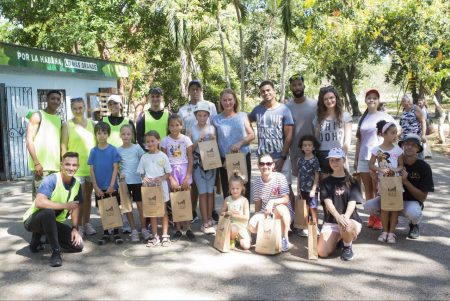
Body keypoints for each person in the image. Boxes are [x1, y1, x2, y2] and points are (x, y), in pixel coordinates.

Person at [364, 133, 434, 239]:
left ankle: (414, 224)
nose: (409, 147)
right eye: (407, 144)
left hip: (409, 202)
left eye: (413, 145)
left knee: (414, 213)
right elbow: (380, 183)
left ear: (418, 149)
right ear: (401, 147)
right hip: (390, 197)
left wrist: (405, 182)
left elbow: (422, 198)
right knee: (369, 206)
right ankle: (389, 220)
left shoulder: (424, 167)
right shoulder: (393, 161)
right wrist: (375, 178)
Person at [23, 152, 84, 267]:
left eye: (74, 165)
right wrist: (65, 205)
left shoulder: (77, 184)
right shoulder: (51, 179)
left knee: (78, 246)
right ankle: (56, 252)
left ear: (78, 166)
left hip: (53, 223)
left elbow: (75, 207)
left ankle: (40, 238)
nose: (71, 168)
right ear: (61, 165)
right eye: (67, 164)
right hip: (33, 221)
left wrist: (75, 229)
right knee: (48, 212)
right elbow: (39, 202)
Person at [354, 88, 397, 230]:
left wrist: (387, 146)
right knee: (368, 189)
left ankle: (380, 217)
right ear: (365, 100)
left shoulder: (384, 116)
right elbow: (360, 140)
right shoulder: (363, 117)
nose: (371, 100)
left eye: (374, 98)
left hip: (379, 158)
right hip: (364, 157)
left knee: (379, 188)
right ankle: (372, 216)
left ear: (378, 101)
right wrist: (356, 159)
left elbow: (397, 131)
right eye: (369, 97)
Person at [248, 80, 294, 206]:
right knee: (267, 188)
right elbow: (246, 120)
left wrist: (283, 158)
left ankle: (294, 220)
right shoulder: (257, 110)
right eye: (263, 91)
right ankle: (267, 216)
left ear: (274, 91)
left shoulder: (284, 110)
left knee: (286, 188)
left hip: (280, 156)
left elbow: (289, 136)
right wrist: (251, 132)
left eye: (268, 90)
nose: (266, 93)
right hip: (263, 158)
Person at [178, 79, 217, 223]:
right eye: (192, 89)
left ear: (201, 90)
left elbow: (214, 126)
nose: (195, 91)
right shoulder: (182, 110)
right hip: (194, 157)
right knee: (195, 187)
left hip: (209, 155)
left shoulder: (211, 106)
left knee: (209, 188)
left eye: (198, 89)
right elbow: (182, 132)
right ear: (188, 91)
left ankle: (210, 213)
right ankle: (194, 213)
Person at [318, 148, 363, 261]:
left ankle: (347, 246)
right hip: (332, 221)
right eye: (331, 160)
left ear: (344, 160)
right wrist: (338, 217)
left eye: (337, 160)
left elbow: (352, 202)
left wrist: (345, 217)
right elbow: (328, 202)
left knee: (346, 226)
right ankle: (339, 238)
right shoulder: (325, 182)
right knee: (322, 252)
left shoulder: (353, 180)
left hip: (350, 219)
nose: (334, 163)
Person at [61, 97, 96, 238]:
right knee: (78, 200)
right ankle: (77, 226)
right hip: (75, 169)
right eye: (75, 108)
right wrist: (65, 167)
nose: (78, 111)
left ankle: (86, 223)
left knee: (87, 198)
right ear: (71, 109)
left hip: (90, 168)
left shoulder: (92, 124)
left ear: (84, 108)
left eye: (80, 108)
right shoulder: (67, 125)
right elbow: (63, 146)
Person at [212, 89, 255, 201]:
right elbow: (214, 140)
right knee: (228, 189)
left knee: (244, 187)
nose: (227, 103)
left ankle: (244, 216)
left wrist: (239, 143)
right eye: (224, 100)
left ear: (235, 100)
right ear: (221, 102)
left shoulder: (242, 116)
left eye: (230, 99)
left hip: (242, 157)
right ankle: (230, 216)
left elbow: (251, 135)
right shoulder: (216, 119)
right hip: (225, 160)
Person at [102, 94, 136, 233]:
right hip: (107, 162)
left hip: (124, 164)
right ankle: (112, 222)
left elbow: (133, 142)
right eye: (110, 104)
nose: (113, 106)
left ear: (121, 105)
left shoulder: (128, 121)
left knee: (124, 194)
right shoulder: (103, 120)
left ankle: (126, 222)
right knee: (110, 193)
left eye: (116, 104)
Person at [248, 154, 294, 252]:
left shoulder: (280, 177)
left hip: (283, 211)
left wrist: (272, 202)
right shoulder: (256, 182)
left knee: (280, 209)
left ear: (273, 165)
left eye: (268, 163)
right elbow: (258, 204)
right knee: (251, 225)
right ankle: (269, 236)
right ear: (258, 166)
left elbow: (286, 199)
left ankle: (285, 238)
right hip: (266, 212)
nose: (265, 166)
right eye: (262, 164)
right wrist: (258, 217)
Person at [160, 114, 196, 241]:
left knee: (186, 199)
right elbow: (164, 161)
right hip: (171, 171)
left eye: (177, 125)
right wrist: (171, 178)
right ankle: (178, 228)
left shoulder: (186, 140)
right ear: (168, 127)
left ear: (181, 126)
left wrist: (187, 177)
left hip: (184, 170)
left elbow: (191, 158)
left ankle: (188, 227)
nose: (174, 128)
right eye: (171, 125)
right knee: (175, 200)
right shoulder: (165, 141)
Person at [368, 121, 404, 243]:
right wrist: (379, 170)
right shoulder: (377, 150)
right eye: (392, 133)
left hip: (395, 182)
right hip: (383, 182)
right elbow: (371, 164)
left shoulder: (398, 150)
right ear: (384, 134)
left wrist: (395, 169)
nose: (395, 136)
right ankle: (384, 231)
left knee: (394, 208)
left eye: (396, 133)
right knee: (385, 208)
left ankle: (391, 233)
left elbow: (401, 166)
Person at [88, 122, 123, 245]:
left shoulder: (113, 150)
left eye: (104, 133)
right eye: (99, 133)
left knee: (114, 208)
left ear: (108, 134)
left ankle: (117, 232)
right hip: (99, 187)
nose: (101, 136)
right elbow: (91, 170)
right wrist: (95, 187)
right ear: (95, 135)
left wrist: (112, 185)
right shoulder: (93, 151)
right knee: (103, 210)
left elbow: (115, 168)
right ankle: (106, 233)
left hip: (112, 186)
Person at [26, 90, 63, 200]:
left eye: (58, 99)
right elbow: (29, 140)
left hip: (56, 168)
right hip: (41, 168)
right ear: (47, 100)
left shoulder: (58, 119)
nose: (55, 101)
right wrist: (36, 163)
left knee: (53, 200)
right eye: (52, 98)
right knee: (40, 202)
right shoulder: (37, 116)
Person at [138, 130, 172, 247]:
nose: (150, 143)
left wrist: (161, 178)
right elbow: (141, 173)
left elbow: (168, 173)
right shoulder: (144, 157)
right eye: (148, 142)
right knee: (152, 213)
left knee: (163, 212)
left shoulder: (163, 156)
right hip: (149, 189)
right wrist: (144, 178)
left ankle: (165, 236)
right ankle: (155, 236)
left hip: (161, 188)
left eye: (153, 141)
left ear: (158, 141)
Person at [189, 102, 217, 234]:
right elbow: (190, 149)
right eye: (199, 115)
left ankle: (210, 218)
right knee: (202, 192)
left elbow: (215, 146)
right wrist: (199, 140)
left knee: (210, 192)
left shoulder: (212, 128)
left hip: (211, 163)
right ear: (196, 116)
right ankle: (204, 221)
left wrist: (213, 139)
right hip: (197, 164)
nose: (202, 118)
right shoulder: (192, 129)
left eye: (204, 115)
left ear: (208, 116)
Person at [314, 86, 352, 179]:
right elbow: (316, 139)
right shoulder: (319, 118)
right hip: (323, 156)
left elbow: (347, 141)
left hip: (339, 155)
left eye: (331, 97)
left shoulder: (345, 116)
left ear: (336, 98)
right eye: (326, 99)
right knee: (325, 188)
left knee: (341, 187)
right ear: (322, 101)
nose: (329, 101)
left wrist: (343, 157)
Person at [117, 124, 147, 242]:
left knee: (140, 207)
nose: (126, 136)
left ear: (132, 135)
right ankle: (133, 229)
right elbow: (116, 166)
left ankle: (144, 229)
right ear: (120, 135)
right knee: (127, 207)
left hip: (137, 181)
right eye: (123, 134)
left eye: (128, 134)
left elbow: (143, 161)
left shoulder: (137, 148)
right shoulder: (117, 150)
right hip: (125, 183)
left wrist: (143, 176)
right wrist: (120, 174)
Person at [286, 74, 317, 177]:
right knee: (300, 184)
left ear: (304, 86)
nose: (297, 87)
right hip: (296, 152)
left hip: (314, 152)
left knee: (315, 183)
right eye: (294, 85)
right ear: (290, 88)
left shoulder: (315, 105)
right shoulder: (286, 108)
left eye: (299, 84)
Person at [297, 135, 321, 237]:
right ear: (302, 147)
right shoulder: (300, 159)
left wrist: (314, 188)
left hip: (311, 190)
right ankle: (306, 227)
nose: (307, 147)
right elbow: (299, 174)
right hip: (302, 189)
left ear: (313, 147)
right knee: (305, 208)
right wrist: (298, 188)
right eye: (305, 145)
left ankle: (315, 226)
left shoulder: (315, 160)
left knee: (313, 208)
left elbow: (317, 175)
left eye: (309, 145)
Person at [220, 173, 251, 250]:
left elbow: (246, 217)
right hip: (231, 226)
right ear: (229, 188)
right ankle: (231, 239)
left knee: (246, 246)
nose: (235, 190)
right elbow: (221, 213)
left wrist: (234, 215)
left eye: (237, 188)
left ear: (242, 188)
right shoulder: (227, 199)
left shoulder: (244, 200)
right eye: (233, 188)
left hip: (242, 227)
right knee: (233, 228)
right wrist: (226, 213)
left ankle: (238, 238)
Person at [399, 94, 426, 159]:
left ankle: (421, 168)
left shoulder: (415, 108)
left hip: (415, 137)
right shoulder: (404, 110)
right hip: (405, 137)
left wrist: (423, 135)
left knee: (418, 155)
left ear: (408, 102)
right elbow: (402, 123)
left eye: (403, 101)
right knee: (407, 155)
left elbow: (423, 121)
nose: (401, 102)